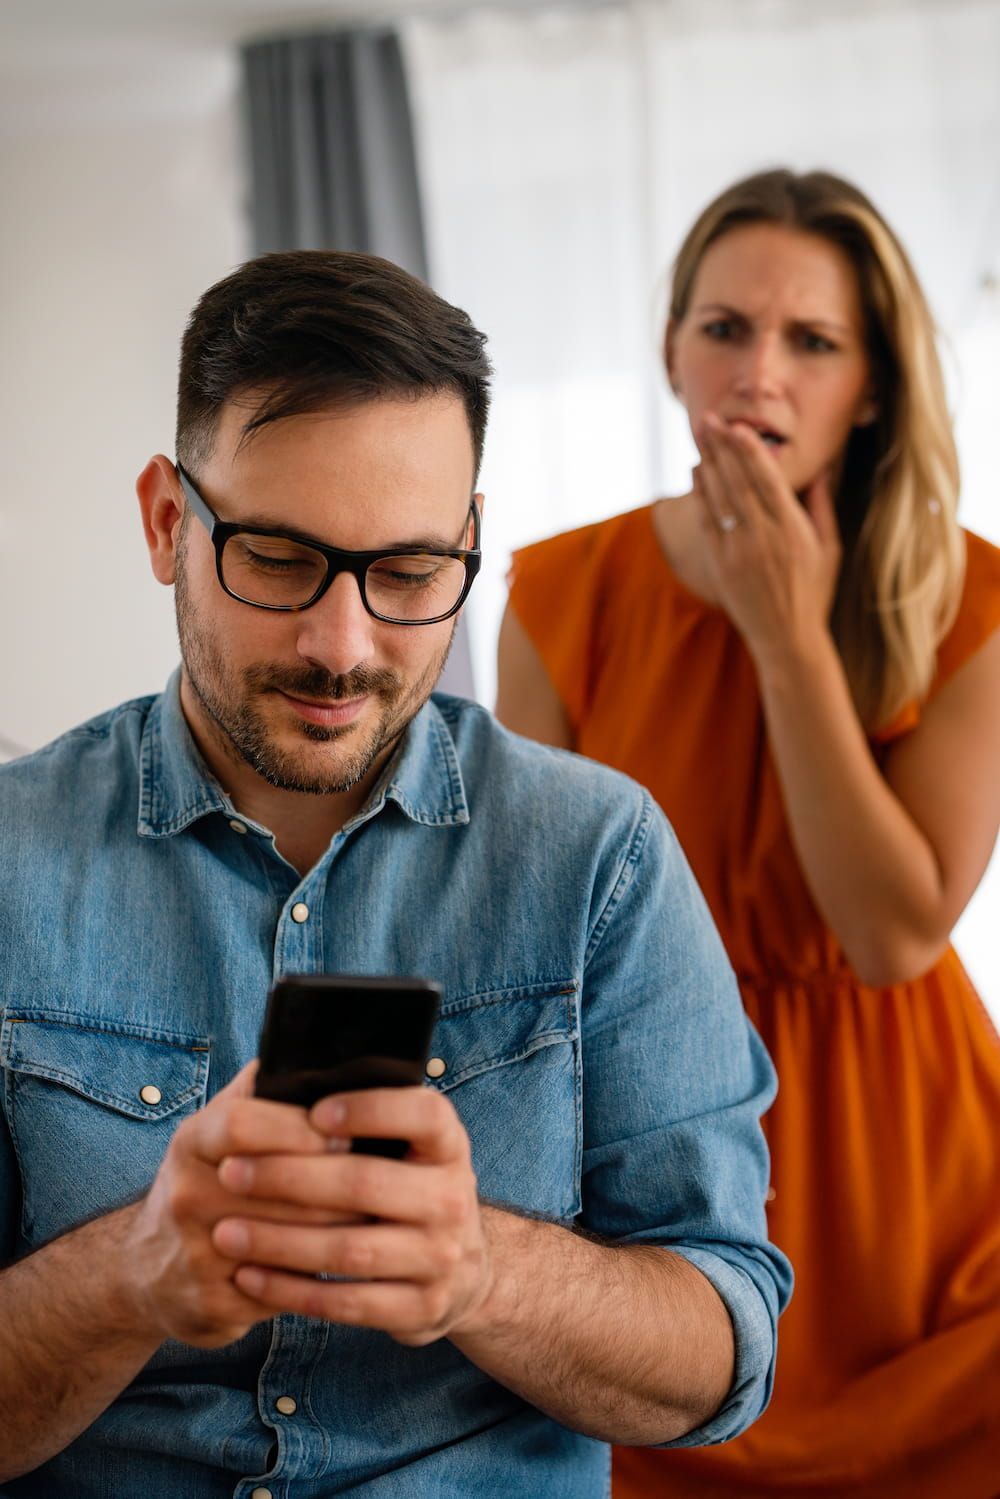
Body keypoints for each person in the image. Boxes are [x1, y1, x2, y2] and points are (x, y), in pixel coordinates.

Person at [0, 250, 790, 1497]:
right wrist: (128, 1278)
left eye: (410, 573)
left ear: (470, 543)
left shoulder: (602, 856)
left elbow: (721, 1355)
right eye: (275, 556)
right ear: (167, 523)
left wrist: (482, 1268)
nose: (342, 644)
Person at [498, 168, 1000, 1497]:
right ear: (671, 349)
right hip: (669, 1151)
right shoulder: (562, 591)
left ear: (873, 383)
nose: (757, 372)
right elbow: (537, 943)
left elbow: (893, 933)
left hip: (917, 1182)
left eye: (811, 340)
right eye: (723, 327)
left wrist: (788, 636)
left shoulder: (977, 601)